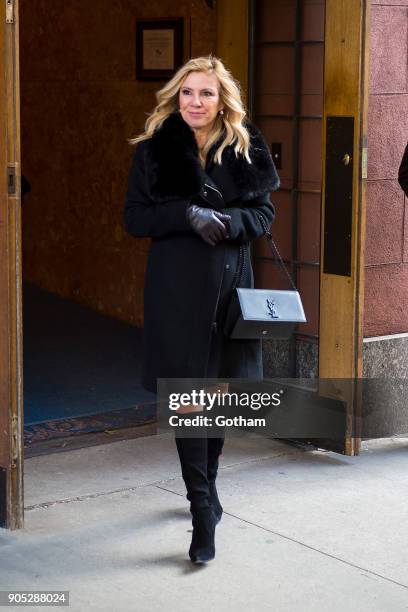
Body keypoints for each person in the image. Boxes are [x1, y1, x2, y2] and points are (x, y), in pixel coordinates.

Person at [123, 55, 279, 564]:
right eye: (187, 92)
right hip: (176, 292)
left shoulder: (244, 144)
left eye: (206, 93)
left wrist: (230, 224)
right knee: (189, 400)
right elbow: (136, 217)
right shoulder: (154, 149)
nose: (195, 102)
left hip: (232, 291)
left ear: (222, 99)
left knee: (220, 397)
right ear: (176, 95)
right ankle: (199, 512)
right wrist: (186, 214)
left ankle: (208, 490)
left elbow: (263, 213)